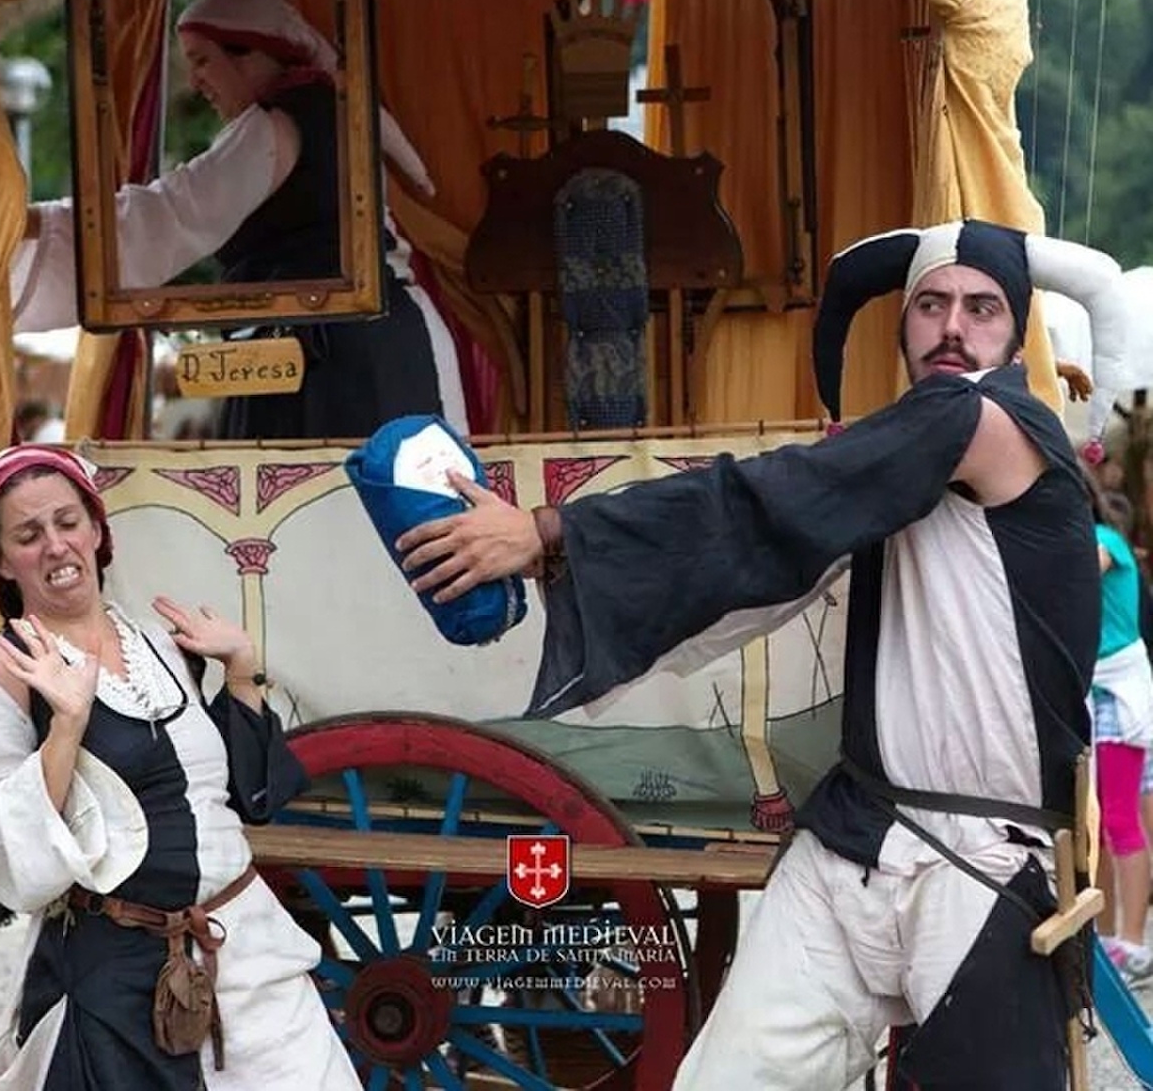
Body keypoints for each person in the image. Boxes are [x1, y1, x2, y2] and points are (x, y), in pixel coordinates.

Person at [396, 219, 1130, 1090]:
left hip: (979, 861)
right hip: (859, 830)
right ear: (902, 323)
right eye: (931, 304)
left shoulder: (984, 418)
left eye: (982, 309)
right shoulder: (900, 454)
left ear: (1016, 334)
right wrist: (566, 557)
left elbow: (768, 499)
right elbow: (769, 557)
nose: (952, 329)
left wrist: (550, 530)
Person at [0, 445, 361, 1090]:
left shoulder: (158, 646)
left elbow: (244, 796)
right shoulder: (2, 672)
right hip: (116, 975)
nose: (56, 546)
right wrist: (66, 725)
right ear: (1, 560)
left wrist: (241, 672)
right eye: (28, 535)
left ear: (96, 529)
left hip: (245, 949)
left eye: (68, 522)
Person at [11, 0, 468, 441]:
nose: (195, 82)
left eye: (202, 60)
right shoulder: (329, 110)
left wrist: (26, 227)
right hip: (366, 343)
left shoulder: (273, 125)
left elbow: (171, 214)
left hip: (341, 359)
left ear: (250, 54)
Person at [1082, 470, 1153, 983]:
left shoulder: (1104, 539)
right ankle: (1107, 939)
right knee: (1100, 824)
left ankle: (1132, 942)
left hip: (1118, 696)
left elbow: (1081, 572)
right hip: (1099, 695)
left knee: (1120, 820)